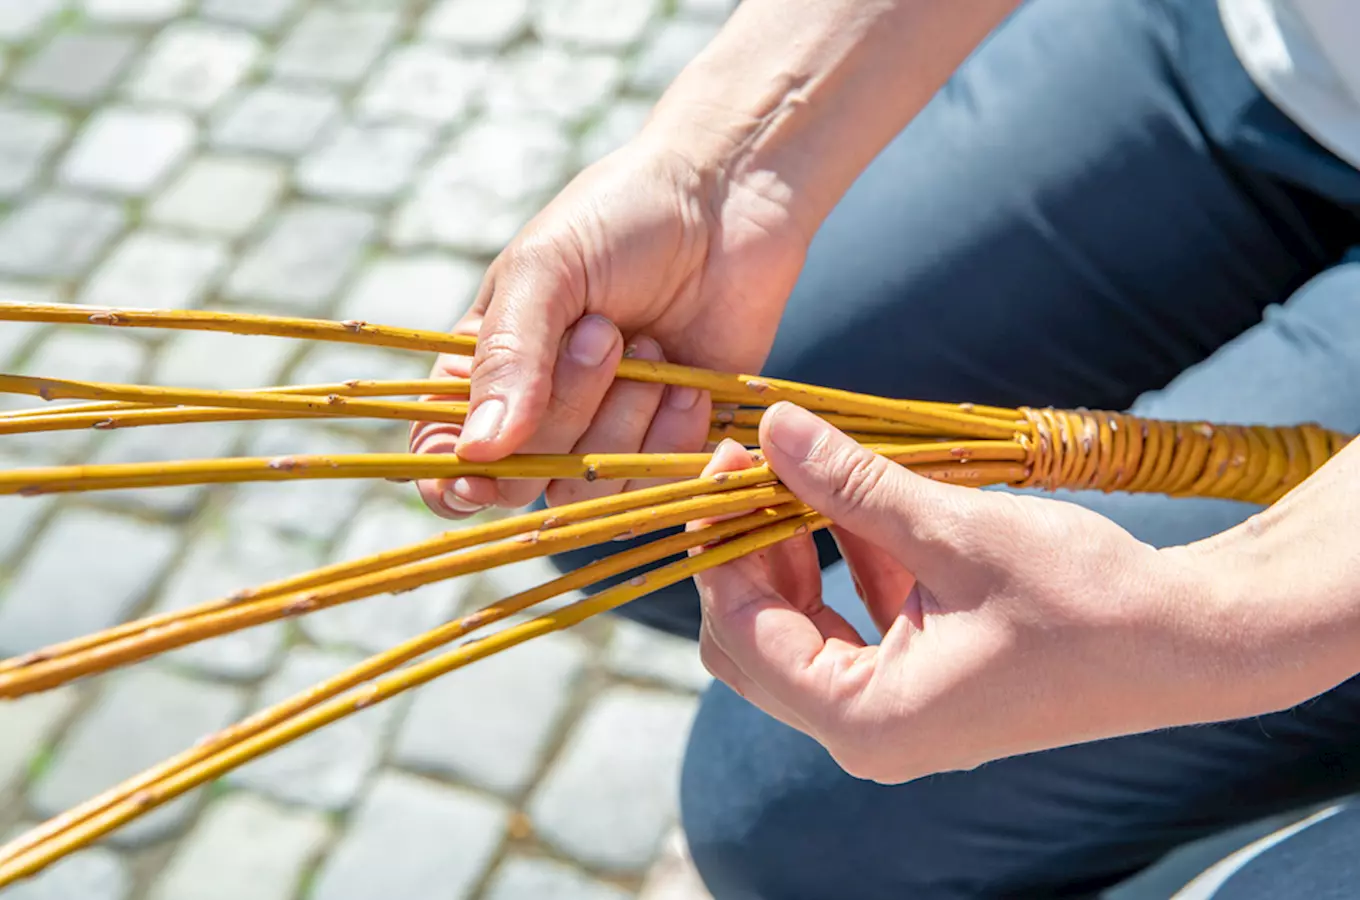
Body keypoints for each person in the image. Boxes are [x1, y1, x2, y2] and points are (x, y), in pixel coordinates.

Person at [410, 0, 1360, 896]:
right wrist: (725, 166)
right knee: (626, 508)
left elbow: (1233, 611)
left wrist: (1233, 615)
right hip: (1273, 55)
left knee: (792, 817)